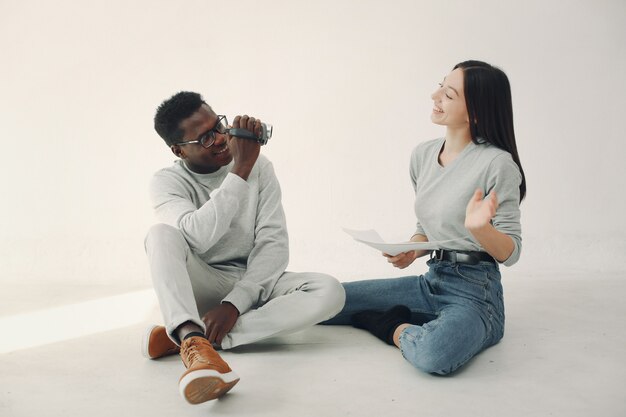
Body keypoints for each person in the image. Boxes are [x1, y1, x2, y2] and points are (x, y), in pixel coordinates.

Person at [323, 60, 526, 375]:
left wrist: (481, 229)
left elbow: (511, 252)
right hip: (431, 281)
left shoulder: (498, 164)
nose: (435, 96)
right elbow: (427, 228)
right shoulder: (422, 155)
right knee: (328, 298)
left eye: (448, 94)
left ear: (475, 112)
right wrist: (413, 249)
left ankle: (391, 326)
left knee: (434, 354)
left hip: (475, 292)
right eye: (440, 85)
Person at [143, 91, 345, 404]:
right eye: (206, 138)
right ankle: (193, 337)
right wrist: (240, 171)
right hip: (203, 279)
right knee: (160, 235)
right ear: (179, 150)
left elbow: (273, 242)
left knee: (330, 291)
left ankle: (190, 339)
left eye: (219, 126)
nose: (222, 139)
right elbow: (196, 237)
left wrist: (236, 302)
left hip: (252, 280)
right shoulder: (167, 182)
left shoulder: (259, 166)